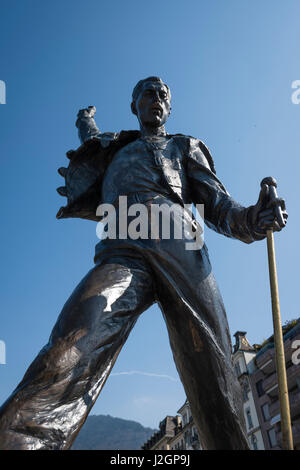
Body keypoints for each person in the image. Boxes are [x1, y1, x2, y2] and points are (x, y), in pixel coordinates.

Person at [0, 77, 287, 450]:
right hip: (121, 250)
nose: (157, 98)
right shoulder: (114, 149)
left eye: (164, 94)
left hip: (182, 246)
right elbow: (90, 140)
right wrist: (83, 120)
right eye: (148, 93)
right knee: (72, 345)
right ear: (134, 105)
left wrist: (253, 219)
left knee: (213, 376)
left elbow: (217, 204)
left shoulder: (185, 146)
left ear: (169, 108)